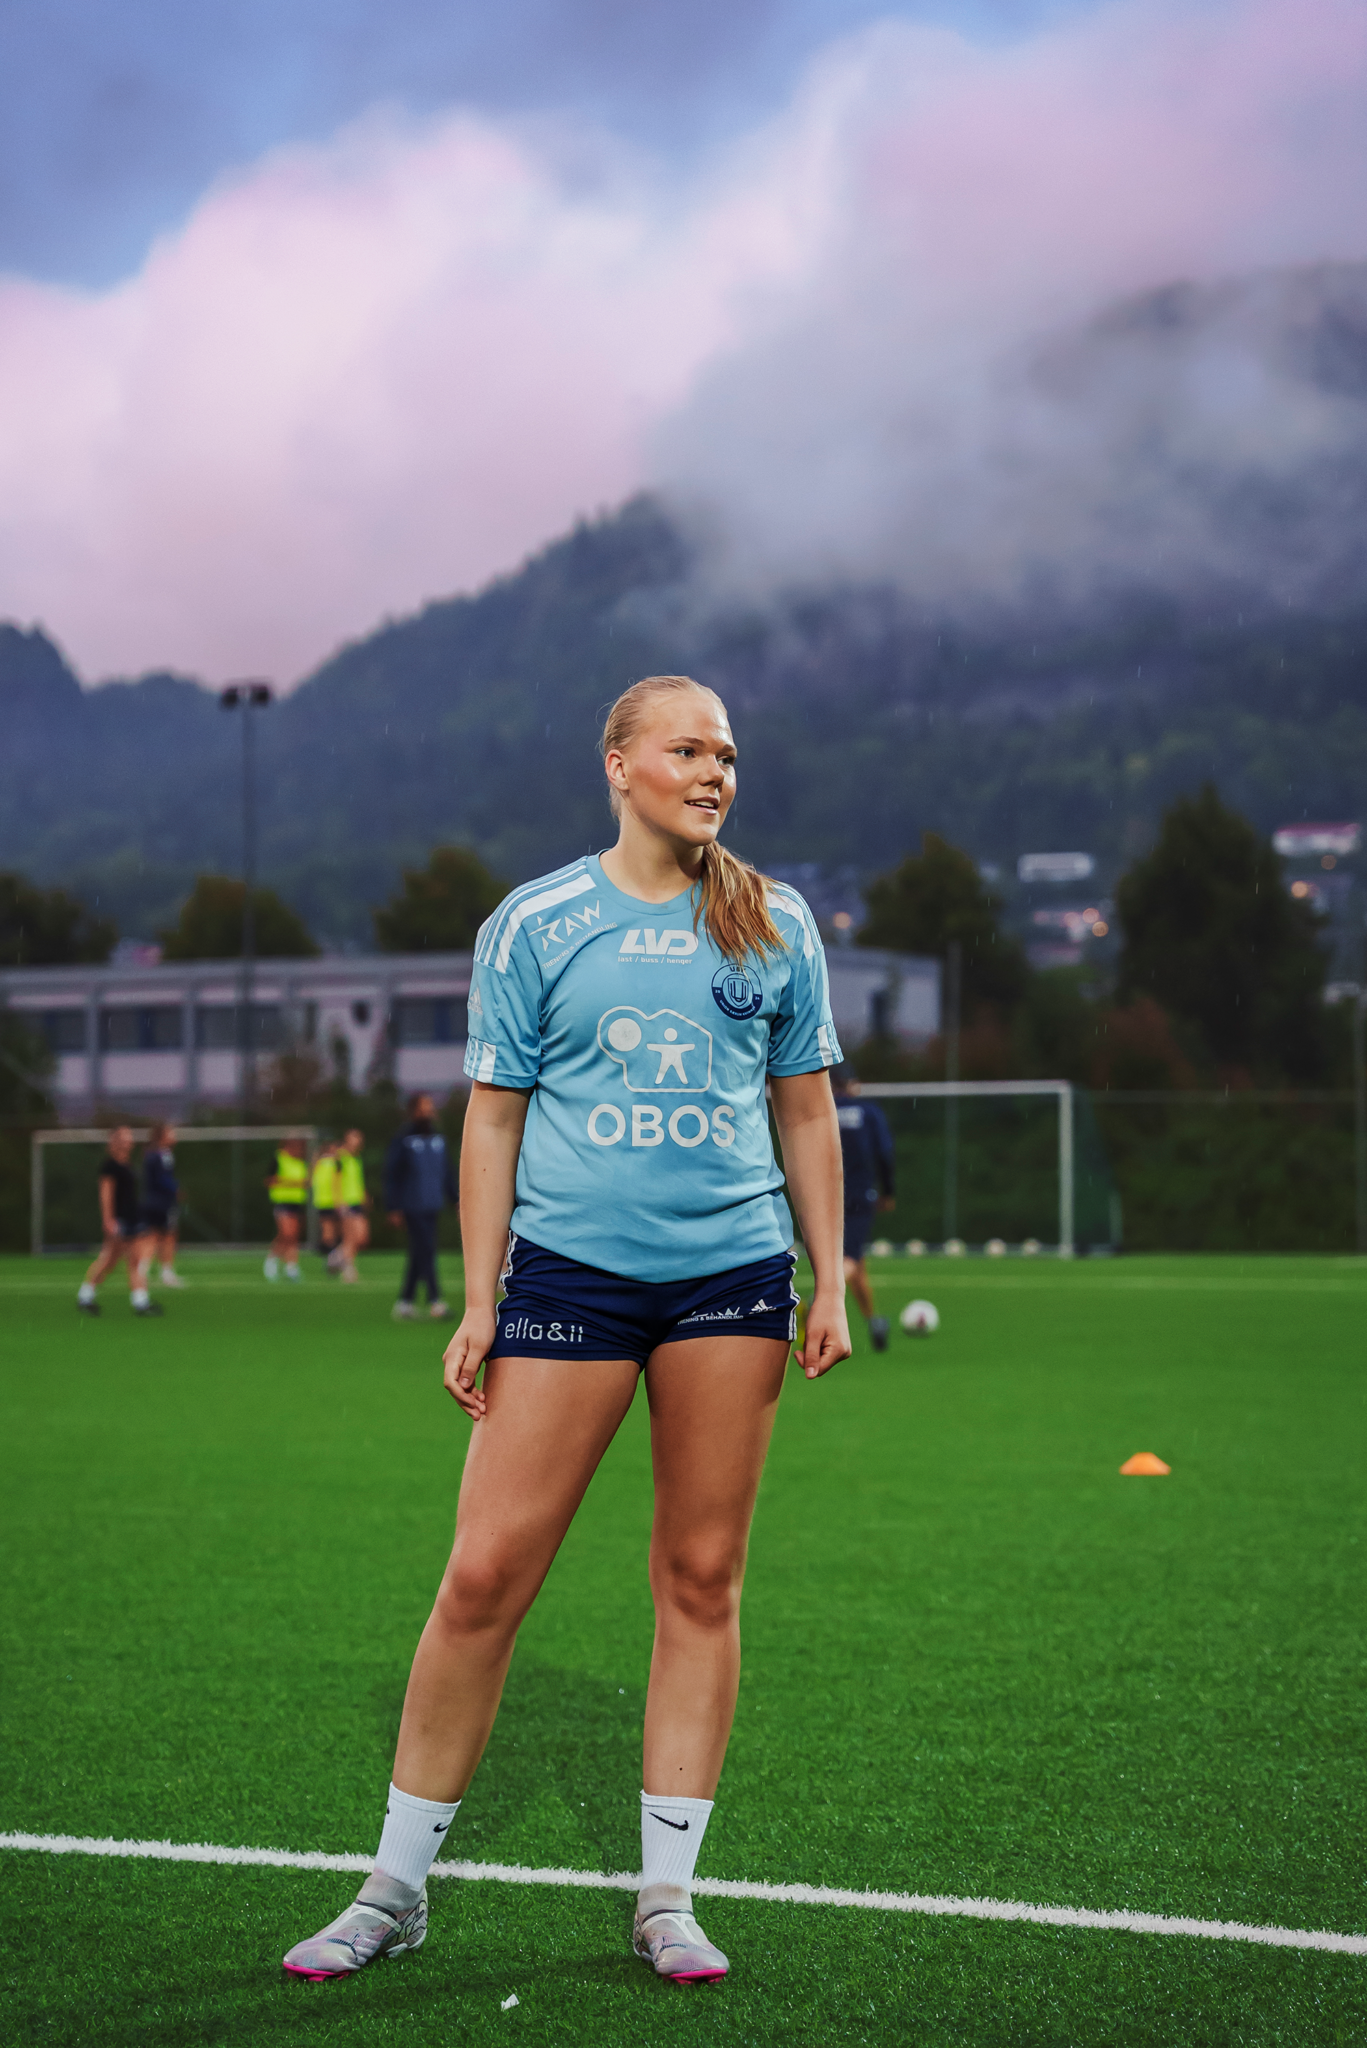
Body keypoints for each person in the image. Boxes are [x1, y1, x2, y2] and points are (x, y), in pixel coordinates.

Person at [282, 672, 849, 1986]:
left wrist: (829, 1277)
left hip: (729, 1283)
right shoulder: (533, 922)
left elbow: (806, 1109)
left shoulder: (773, 921)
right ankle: (392, 1889)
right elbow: (493, 1118)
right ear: (619, 765)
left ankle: (665, 1896)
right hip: (569, 1282)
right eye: (686, 748)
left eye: (725, 753)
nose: (712, 771)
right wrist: (480, 1298)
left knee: (698, 1579)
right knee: (483, 1577)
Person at [832, 1066, 896, 1352]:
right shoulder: (868, 1111)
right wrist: (889, 1191)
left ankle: (874, 1321)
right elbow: (884, 1152)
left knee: (856, 1260)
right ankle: (815, 1299)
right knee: (850, 1258)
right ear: (854, 1085)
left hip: (827, 1195)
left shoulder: (824, 1109)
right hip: (859, 1194)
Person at [76, 1126, 163, 1317]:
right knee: (114, 1261)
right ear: (115, 1141)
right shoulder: (110, 1166)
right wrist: (108, 1219)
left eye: (129, 1137)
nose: (128, 1141)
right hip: (120, 1220)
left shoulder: (127, 1164)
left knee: (117, 1261)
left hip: (132, 1218)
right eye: (124, 1137)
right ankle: (139, 1302)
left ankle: (86, 1296)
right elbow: (105, 1194)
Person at [384, 1093, 457, 1320]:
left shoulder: (438, 1137)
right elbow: (392, 1174)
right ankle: (436, 1300)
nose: (430, 1110)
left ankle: (405, 1301)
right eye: (425, 1106)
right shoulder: (403, 1138)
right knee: (427, 1249)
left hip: (433, 1203)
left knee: (420, 1252)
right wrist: (393, 1206)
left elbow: (447, 1172)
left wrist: (456, 1199)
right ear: (415, 1110)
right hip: (412, 1204)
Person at [140, 1121, 187, 1288]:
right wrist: (175, 1190)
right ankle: (166, 1273)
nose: (174, 1136)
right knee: (168, 1236)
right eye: (171, 1133)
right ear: (162, 1136)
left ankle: (142, 1271)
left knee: (153, 1236)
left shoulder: (151, 1154)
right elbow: (162, 1179)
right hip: (162, 1203)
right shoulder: (163, 1154)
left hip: (151, 1201)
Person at [264, 1134, 308, 1281]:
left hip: (296, 1202)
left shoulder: (301, 1162)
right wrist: (293, 1183)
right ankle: (275, 1261)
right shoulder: (279, 1159)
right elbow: (269, 1180)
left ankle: (290, 1266)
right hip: (282, 1201)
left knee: (292, 1236)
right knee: (288, 1234)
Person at [336, 1128, 371, 1284]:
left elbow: (357, 1180)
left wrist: (365, 1196)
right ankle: (348, 1268)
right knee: (350, 1237)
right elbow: (335, 1180)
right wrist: (338, 1200)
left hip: (356, 1201)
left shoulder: (356, 1158)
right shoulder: (340, 1157)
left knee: (362, 1237)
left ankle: (335, 1257)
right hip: (346, 1201)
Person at [310, 1140, 343, 1272]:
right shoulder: (333, 1163)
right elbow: (336, 1183)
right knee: (331, 1233)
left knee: (330, 1233)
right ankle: (331, 1259)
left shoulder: (318, 1164)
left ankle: (330, 1256)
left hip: (322, 1201)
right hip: (331, 1201)